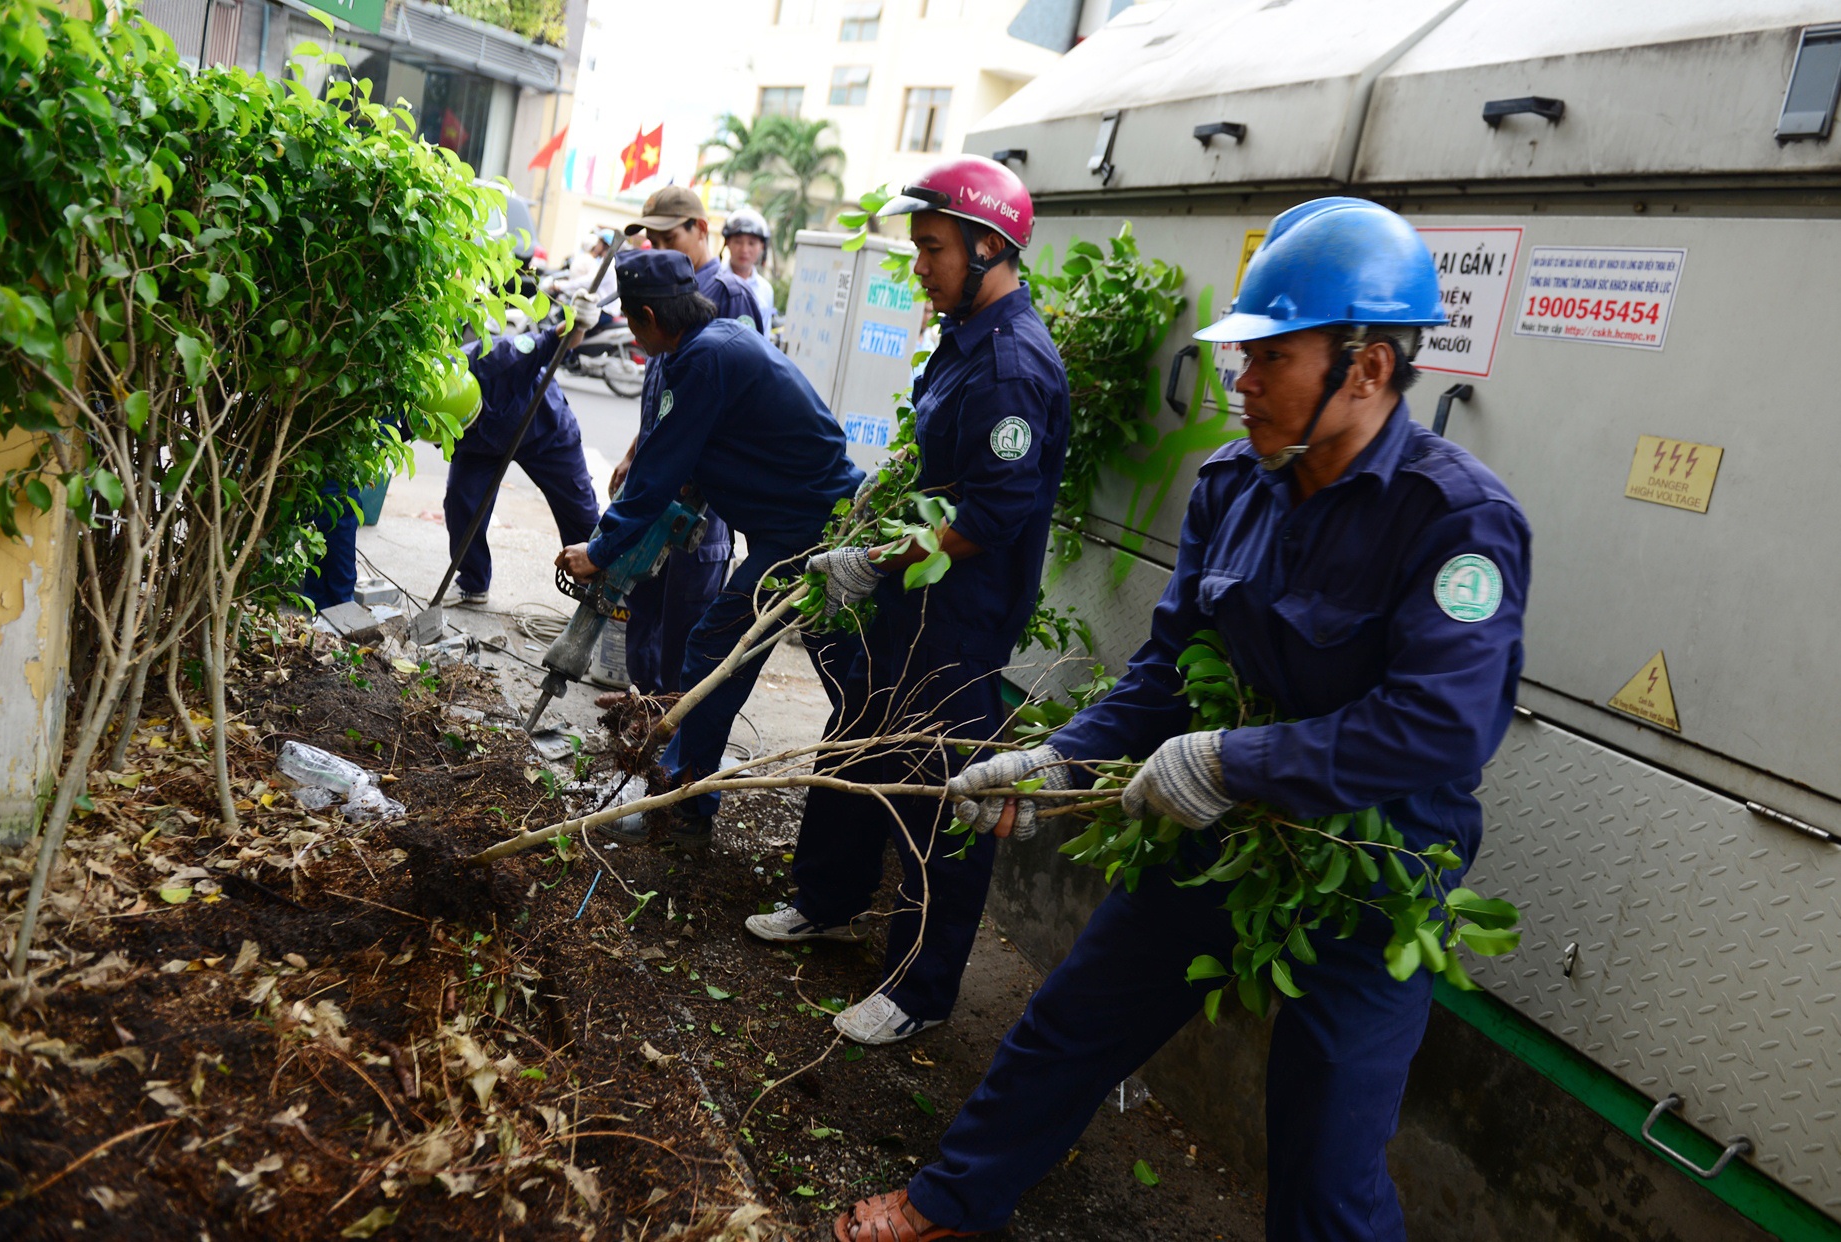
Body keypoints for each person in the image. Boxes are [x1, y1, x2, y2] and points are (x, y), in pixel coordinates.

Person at [831, 198, 1534, 1242]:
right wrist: (1058, 763)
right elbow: (1168, 671)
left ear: (1368, 369)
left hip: (1368, 866)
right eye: (1241, 356)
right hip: (1216, 830)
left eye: (1269, 358)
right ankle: (951, 1204)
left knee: (1326, 1160)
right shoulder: (1231, 489)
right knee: (1069, 1024)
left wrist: (1236, 761)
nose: (1240, 380)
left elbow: (1440, 726)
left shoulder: (1458, 522)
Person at [742, 156, 1069, 1049]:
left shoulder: (1009, 367)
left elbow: (991, 514)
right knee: (854, 746)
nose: (917, 266)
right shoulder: (963, 341)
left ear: (988, 247)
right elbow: (937, 471)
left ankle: (917, 988)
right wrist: (874, 515)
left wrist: (877, 562)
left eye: (931, 249)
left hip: (958, 623)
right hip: (910, 608)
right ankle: (827, 900)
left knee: (939, 803)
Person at [557, 250, 861, 848]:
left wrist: (600, 549)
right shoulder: (714, 341)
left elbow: (658, 473)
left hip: (806, 533)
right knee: (848, 671)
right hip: (813, 522)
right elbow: (701, 451)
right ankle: (876, 777)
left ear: (647, 316)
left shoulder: (703, 360)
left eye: (631, 320)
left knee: (717, 647)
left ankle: (686, 804)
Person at [610, 186, 767, 693]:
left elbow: (741, 399)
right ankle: (642, 710)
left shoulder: (730, 295)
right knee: (642, 596)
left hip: (700, 491)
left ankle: (671, 729)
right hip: (659, 470)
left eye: (669, 235)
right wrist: (637, 453)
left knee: (686, 611)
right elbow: (667, 393)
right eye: (652, 238)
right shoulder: (663, 288)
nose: (660, 247)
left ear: (701, 228)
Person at [440, 320, 602, 607]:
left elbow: (561, 337)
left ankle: (599, 590)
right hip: (480, 444)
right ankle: (473, 583)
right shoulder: (429, 399)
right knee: (460, 499)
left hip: (543, 430)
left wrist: (581, 320)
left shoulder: (500, 358)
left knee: (580, 514)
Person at [721, 207, 776, 335]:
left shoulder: (765, 291)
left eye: (751, 243)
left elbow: (764, 338)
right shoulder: (713, 280)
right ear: (727, 242)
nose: (744, 249)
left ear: (762, 246)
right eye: (738, 242)